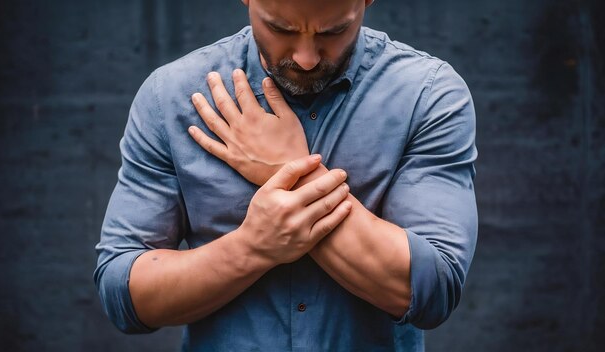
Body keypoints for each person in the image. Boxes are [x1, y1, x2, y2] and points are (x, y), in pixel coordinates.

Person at [93, 0, 478, 350]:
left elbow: (433, 292)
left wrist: (287, 165)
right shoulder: (172, 97)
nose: (307, 58)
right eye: (281, 29)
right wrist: (252, 248)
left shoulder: (426, 96)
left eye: (332, 31)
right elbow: (123, 296)